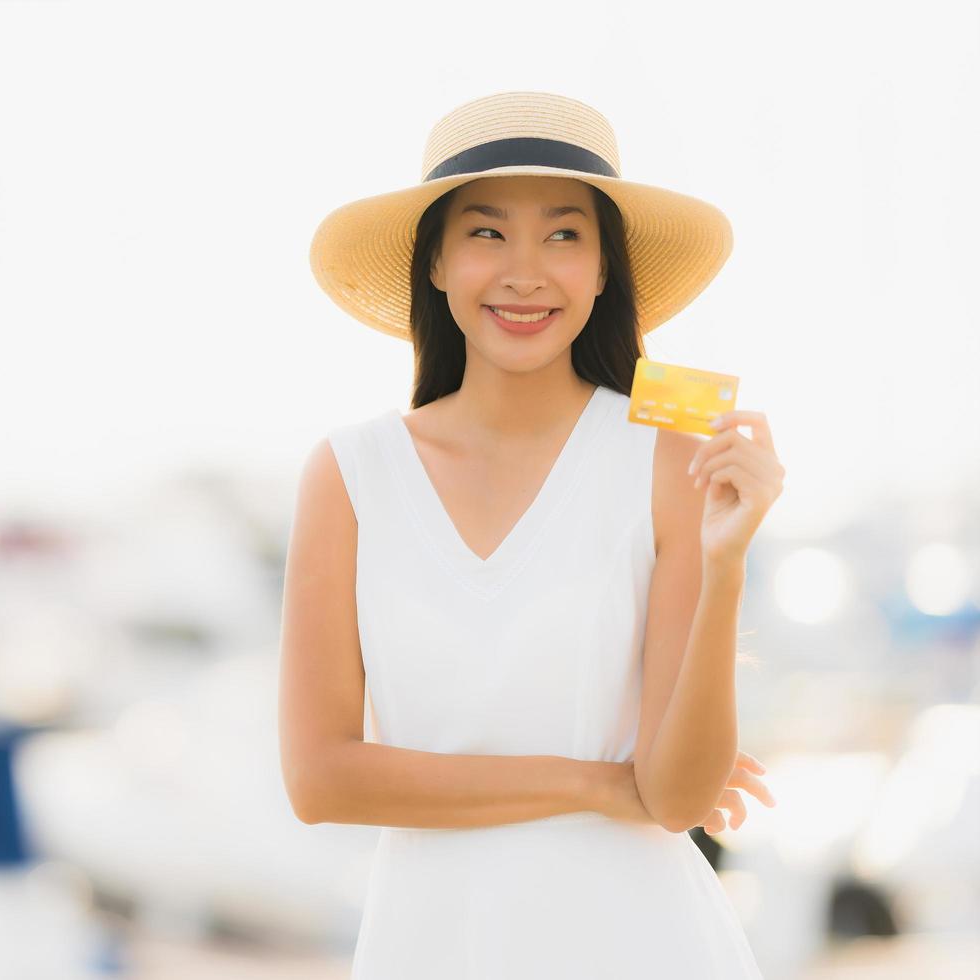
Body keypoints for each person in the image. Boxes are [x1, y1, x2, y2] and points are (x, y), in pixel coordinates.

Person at [278, 91, 786, 978]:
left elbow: (674, 796)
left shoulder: (667, 457)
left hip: (641, 945)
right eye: (485, 233)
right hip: (430, 947)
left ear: (602, 270)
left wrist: (726, 562)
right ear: (433, 261)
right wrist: (591, 782)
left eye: (563, 235)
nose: (525, 272)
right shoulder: (351, 474)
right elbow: (321, 780)